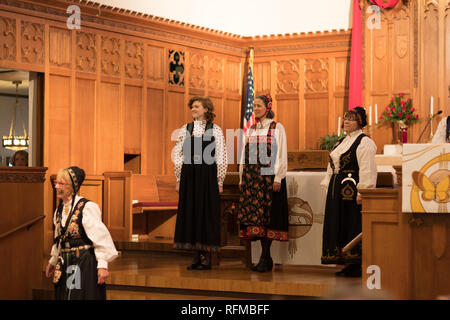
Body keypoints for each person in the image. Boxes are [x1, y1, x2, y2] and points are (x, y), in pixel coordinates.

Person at [45, 166, 118, 300]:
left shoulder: (86, 207)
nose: (56, 186)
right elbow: (59, 240)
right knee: (67, 296)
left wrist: (102, 266)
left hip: (82, 262)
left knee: (79, 296)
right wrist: (53, 260)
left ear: (72, 187)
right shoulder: (59, 210)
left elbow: (101, 239)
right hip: (66, 263)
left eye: (61, 183)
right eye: (56, 182)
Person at [321, 107, 377, 277]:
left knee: (352, 222)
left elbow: (367, 168)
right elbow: (332, 167)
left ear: (360, 122)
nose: (346, 122)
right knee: (339, 223)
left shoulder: (364, 142)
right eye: (345, 118)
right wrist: (328, 186)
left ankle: (356, 262)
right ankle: (346, 260)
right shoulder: (341, 142)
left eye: (351, 119)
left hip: (352, 191)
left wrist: (364, 191)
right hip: (337, 190)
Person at [173, 96, 227, 270]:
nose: (193, 109)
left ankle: (206, 257)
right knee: (192, 213)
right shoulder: (185, 129)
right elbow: (179, 155)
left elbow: (221, 155)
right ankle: (196, 255)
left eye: (196, 106)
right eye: (192, 107)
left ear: (206, 109)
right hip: (189, 175)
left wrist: (219, 180)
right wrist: (179, 179)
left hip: (207, 175)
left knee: (206, 214)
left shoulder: (215, 130)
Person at [237, 94, 289, 273]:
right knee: (256, 220)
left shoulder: (276, 127)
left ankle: (265, 257)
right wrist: (241, 177)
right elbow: (244, 156)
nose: (255, 109)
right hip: (252, 179)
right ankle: (265, 257)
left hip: (268, 177)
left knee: (268, 218)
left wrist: (278, 177)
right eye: (254, 106)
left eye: (259, 106)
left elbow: (281, 153)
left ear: (267, 107)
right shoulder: (251, 129)